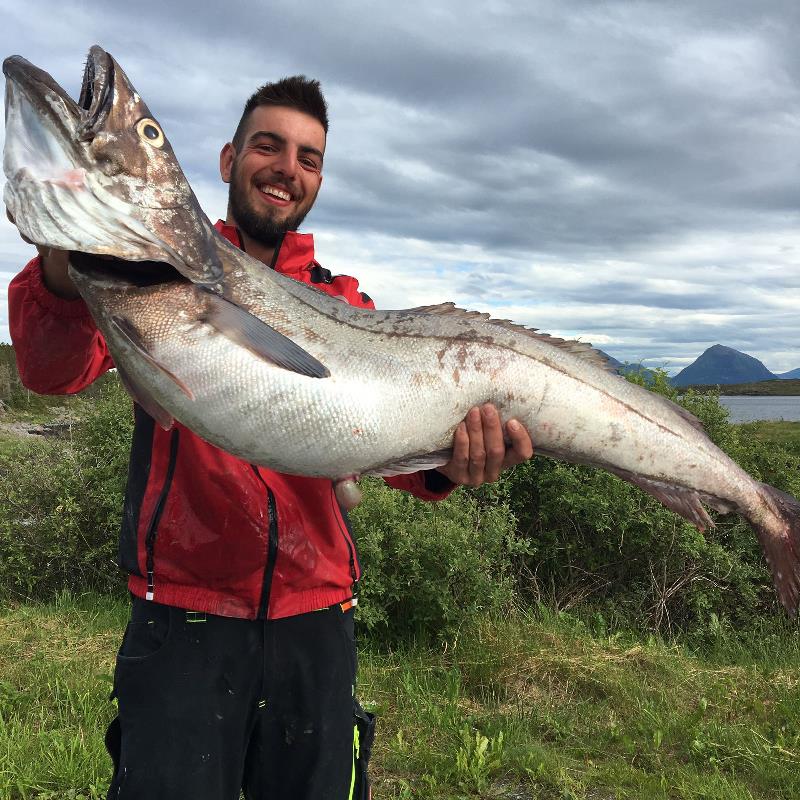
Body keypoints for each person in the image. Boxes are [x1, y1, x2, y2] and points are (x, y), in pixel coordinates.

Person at [7, 76, 533, 799]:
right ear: (227, 160)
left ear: (318, 179)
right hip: (181, 620)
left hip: (317, 623)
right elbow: (49, 371)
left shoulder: (347, 305)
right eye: (268, 145)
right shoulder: (148, 274)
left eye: (309, 158)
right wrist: (63, 269)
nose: (288, 167)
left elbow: (393, 454)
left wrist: (453, 462)